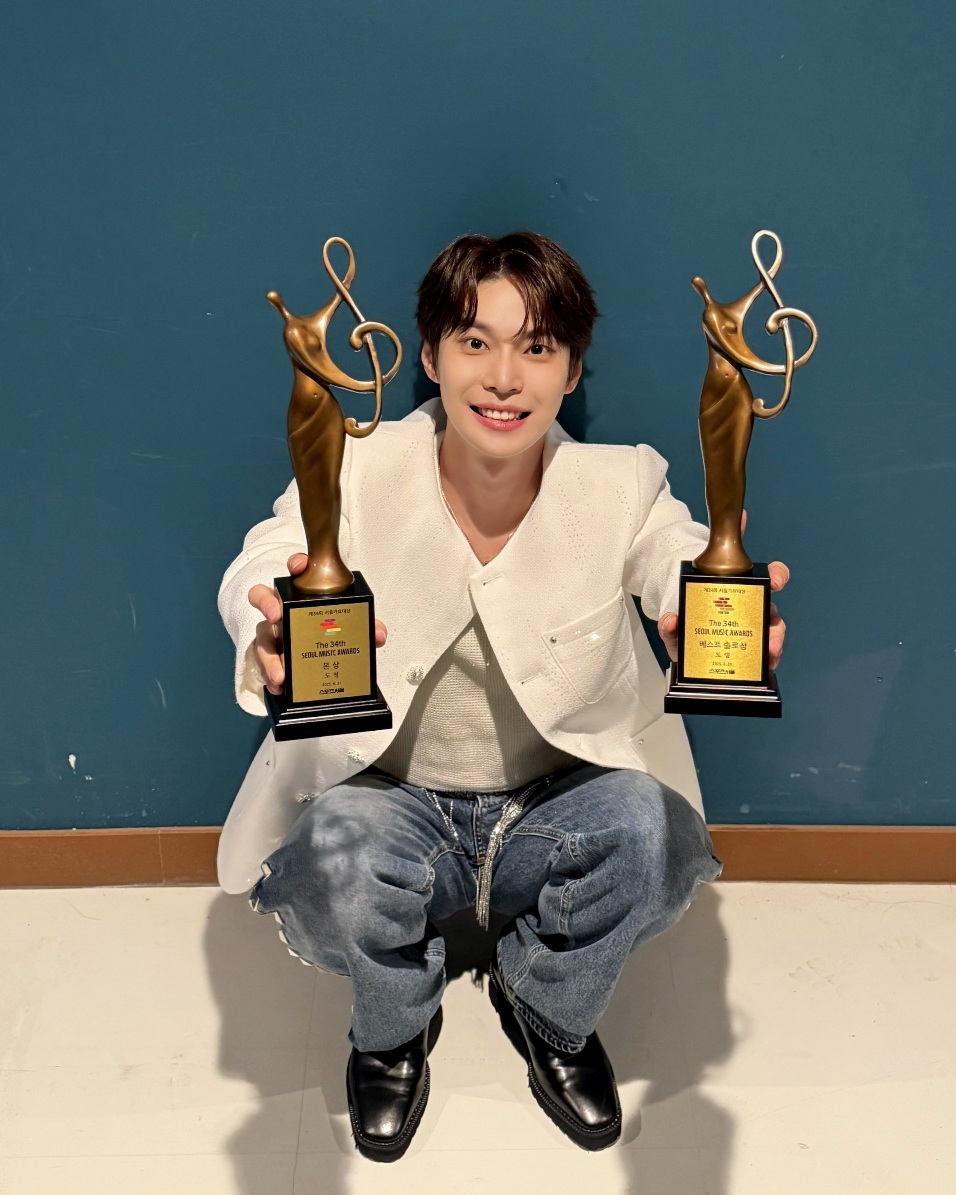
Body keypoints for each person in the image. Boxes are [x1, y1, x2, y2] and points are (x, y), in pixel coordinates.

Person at [217, 231, 788, 1162]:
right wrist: (266, 616)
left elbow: (677, 553)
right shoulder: (358, 464)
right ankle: (394, 1028)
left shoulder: (622, 482)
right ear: (429, 354)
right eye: (475, 342)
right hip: (394, 803)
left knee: (653, 834)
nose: (504, 377)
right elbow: (265, 551)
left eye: (538, 347)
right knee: (334, 857)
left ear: (572, 372)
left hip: (553, 808)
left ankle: (547, 1007)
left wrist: (709, 603)